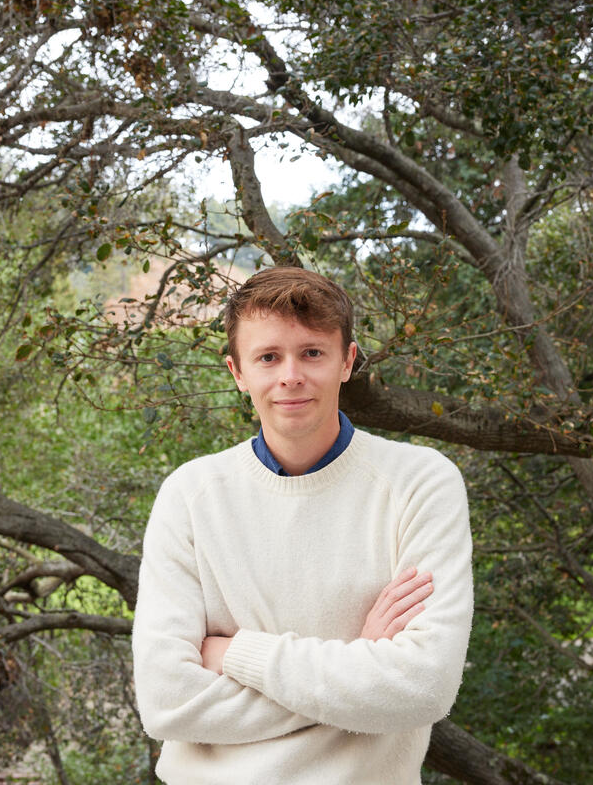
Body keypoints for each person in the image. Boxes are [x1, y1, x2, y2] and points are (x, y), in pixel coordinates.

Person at [131, 267, 473, 784]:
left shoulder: (420, 484)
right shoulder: (190, 496)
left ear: (347, 361)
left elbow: (423, 688)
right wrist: (363, 667)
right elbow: (165, 703)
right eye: (268, 357)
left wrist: (237, 653)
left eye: (312, 352)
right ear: (238, 372)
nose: (290, 374)